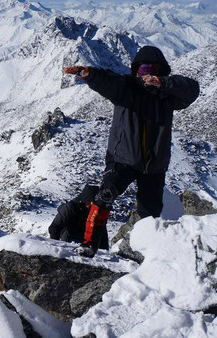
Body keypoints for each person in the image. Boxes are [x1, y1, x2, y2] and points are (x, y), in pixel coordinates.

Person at [62, 46, 199, 257]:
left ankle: (143, 252)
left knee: (150, 213)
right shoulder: (126, 89)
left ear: (162, 72)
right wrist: (89, 74)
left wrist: (164, 83)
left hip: (154, 165)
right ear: (136, 70)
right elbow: (109, 81)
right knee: (104, 197)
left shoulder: (168, 96)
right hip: (122, 158)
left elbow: (192, 89)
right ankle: (90, 244)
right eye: (143, 69)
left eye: (154, 69)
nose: (148, 74)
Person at [48, 184, 109, 250]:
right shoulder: (71, 207)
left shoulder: (97, 213)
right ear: (85, 201)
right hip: (69, 240)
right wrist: (55, 247)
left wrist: (104, 252)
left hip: (87, 241)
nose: (93, 206)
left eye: (95, 204)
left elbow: (102, 234)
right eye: (91, 203)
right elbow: (55, 227)